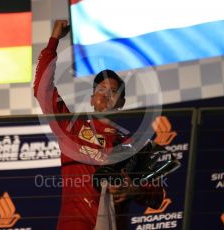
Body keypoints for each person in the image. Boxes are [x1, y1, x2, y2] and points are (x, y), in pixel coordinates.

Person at [34, 20, 165, 230]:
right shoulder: (70, 127)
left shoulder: (131, 144)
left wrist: (134, 190)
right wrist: (54, 40)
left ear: (121, 103)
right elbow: (42, 90)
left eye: (113, 92)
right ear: (91, 98)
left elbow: (157, 196)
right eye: (100, 90)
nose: (105, 95)